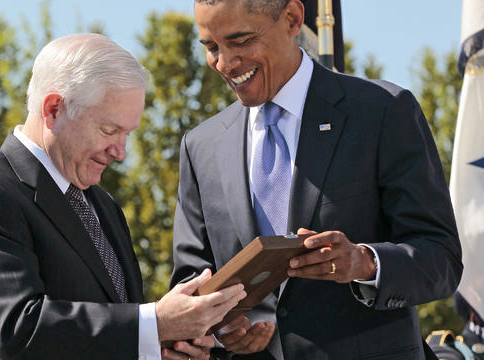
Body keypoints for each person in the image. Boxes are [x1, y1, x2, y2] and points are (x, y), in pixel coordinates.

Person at [170, 0, 463, 359]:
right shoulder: (201, 146)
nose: (224, 63)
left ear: (292, 19)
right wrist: (222, 329)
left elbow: (441, 259)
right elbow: (190, 284)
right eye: (212, 47)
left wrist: (364, 262)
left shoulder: (381, 111)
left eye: (241, 41)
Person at [0, 33, 247, 360]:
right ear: (53, 109)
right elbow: (18, 328)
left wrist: (166, 345)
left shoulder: (103, 206)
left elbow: (111, 332)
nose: (121, 152)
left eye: (127, 134)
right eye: (109, 131)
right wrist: (156, 324)